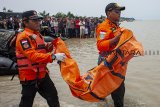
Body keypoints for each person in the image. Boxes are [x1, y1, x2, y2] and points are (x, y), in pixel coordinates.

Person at [16, 10, 66, 107]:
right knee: (26, 103)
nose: (38, 22)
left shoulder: (37, 35)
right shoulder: (23, 37)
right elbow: (32, 56)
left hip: (42, 75)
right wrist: (53, 56)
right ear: (25, 22)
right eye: (34, 20)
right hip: (29, 77)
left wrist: (51, 45)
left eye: (39, 20)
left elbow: (43, 49)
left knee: (53, 97)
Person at [96, 3, 125, 107]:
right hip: (107, 61)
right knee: (118, 90)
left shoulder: (115, 25)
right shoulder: (103, 27)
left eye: (120, 12)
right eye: (116, 12)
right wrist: (115, 39)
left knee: (117, 89)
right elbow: (100, 45)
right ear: (109, 13)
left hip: (116, 61)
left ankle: (102, 103)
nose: (119, 14)